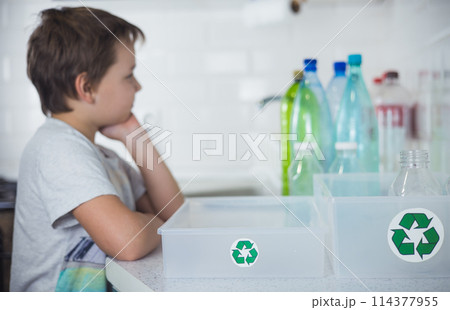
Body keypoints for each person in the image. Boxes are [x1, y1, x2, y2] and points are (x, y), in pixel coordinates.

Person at [10, 7, 184, 292]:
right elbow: (129, 241)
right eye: (129, 75)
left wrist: (135, 136)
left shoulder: (105, 158)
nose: (138, 86)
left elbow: (177, 219)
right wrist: (159, 225)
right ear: (87, 87)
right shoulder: (58, 147)